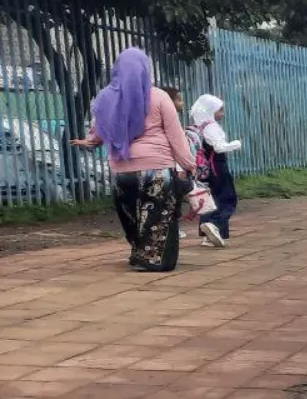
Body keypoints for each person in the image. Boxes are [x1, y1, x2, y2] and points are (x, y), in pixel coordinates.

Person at [71, 48, 196, 272]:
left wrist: (90, 142)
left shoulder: (108, 96)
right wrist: (188, 164)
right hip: (157, 168)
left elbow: (99, 129)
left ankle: (139, 252)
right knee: (157, 215)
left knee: (131, 215)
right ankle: (152, 258)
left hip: (123, 171)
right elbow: (176, 136)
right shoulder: (159, 96)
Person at [189, 94, 242, 247]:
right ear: (210, 110)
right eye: (220, 110)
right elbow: (219, 147)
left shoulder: (197, 126)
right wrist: (236, 144)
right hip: (216, 167)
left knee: (207, 201)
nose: (222, 114)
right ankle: (215, 225)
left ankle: (208, 235)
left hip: (202, 170)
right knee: (226, 198)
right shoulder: (212, 127)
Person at [159, 86, 189, 240]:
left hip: (169, 165)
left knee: (172, 200)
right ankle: (171, 230)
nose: (182, 103)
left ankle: (171, 229)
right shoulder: (169, 119)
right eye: (179, 99)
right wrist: (186, 164)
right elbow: (176, 142)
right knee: (171, 200)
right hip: (170, 165)